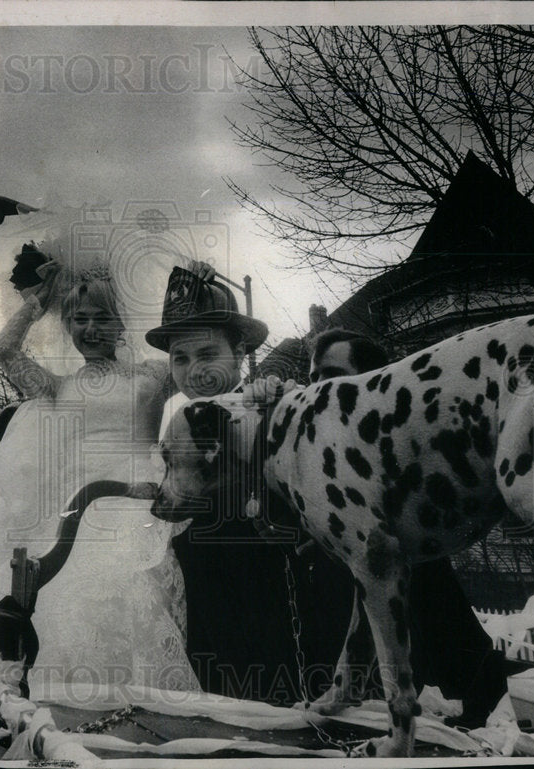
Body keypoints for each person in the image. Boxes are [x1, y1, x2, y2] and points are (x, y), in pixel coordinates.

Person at [0, 254, 198, 694]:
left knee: (115, 600)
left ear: (121, 324)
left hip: (133, 505)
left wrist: (195, 290)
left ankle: (122, 707)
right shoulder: (56, 388)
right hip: (68, 512)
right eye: (79, 320)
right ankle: (42, 708)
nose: (90, 330)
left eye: (102, 319)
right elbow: (5, 350)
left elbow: (197, 358)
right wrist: (40, 301)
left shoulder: (152, 375)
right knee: (41, 601)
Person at [146, 265, 357, 704]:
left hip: (278, 629)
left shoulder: (271, 407)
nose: (193, 371)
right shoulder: (177, 434)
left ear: (239, 352)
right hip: (206, 635)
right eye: (180, 359)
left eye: (207, 354)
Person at [310, 328, 508, 729]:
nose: (317, 391)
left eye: (330, 377)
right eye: (313, 378)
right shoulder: (320, 455)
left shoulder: (401, 470)